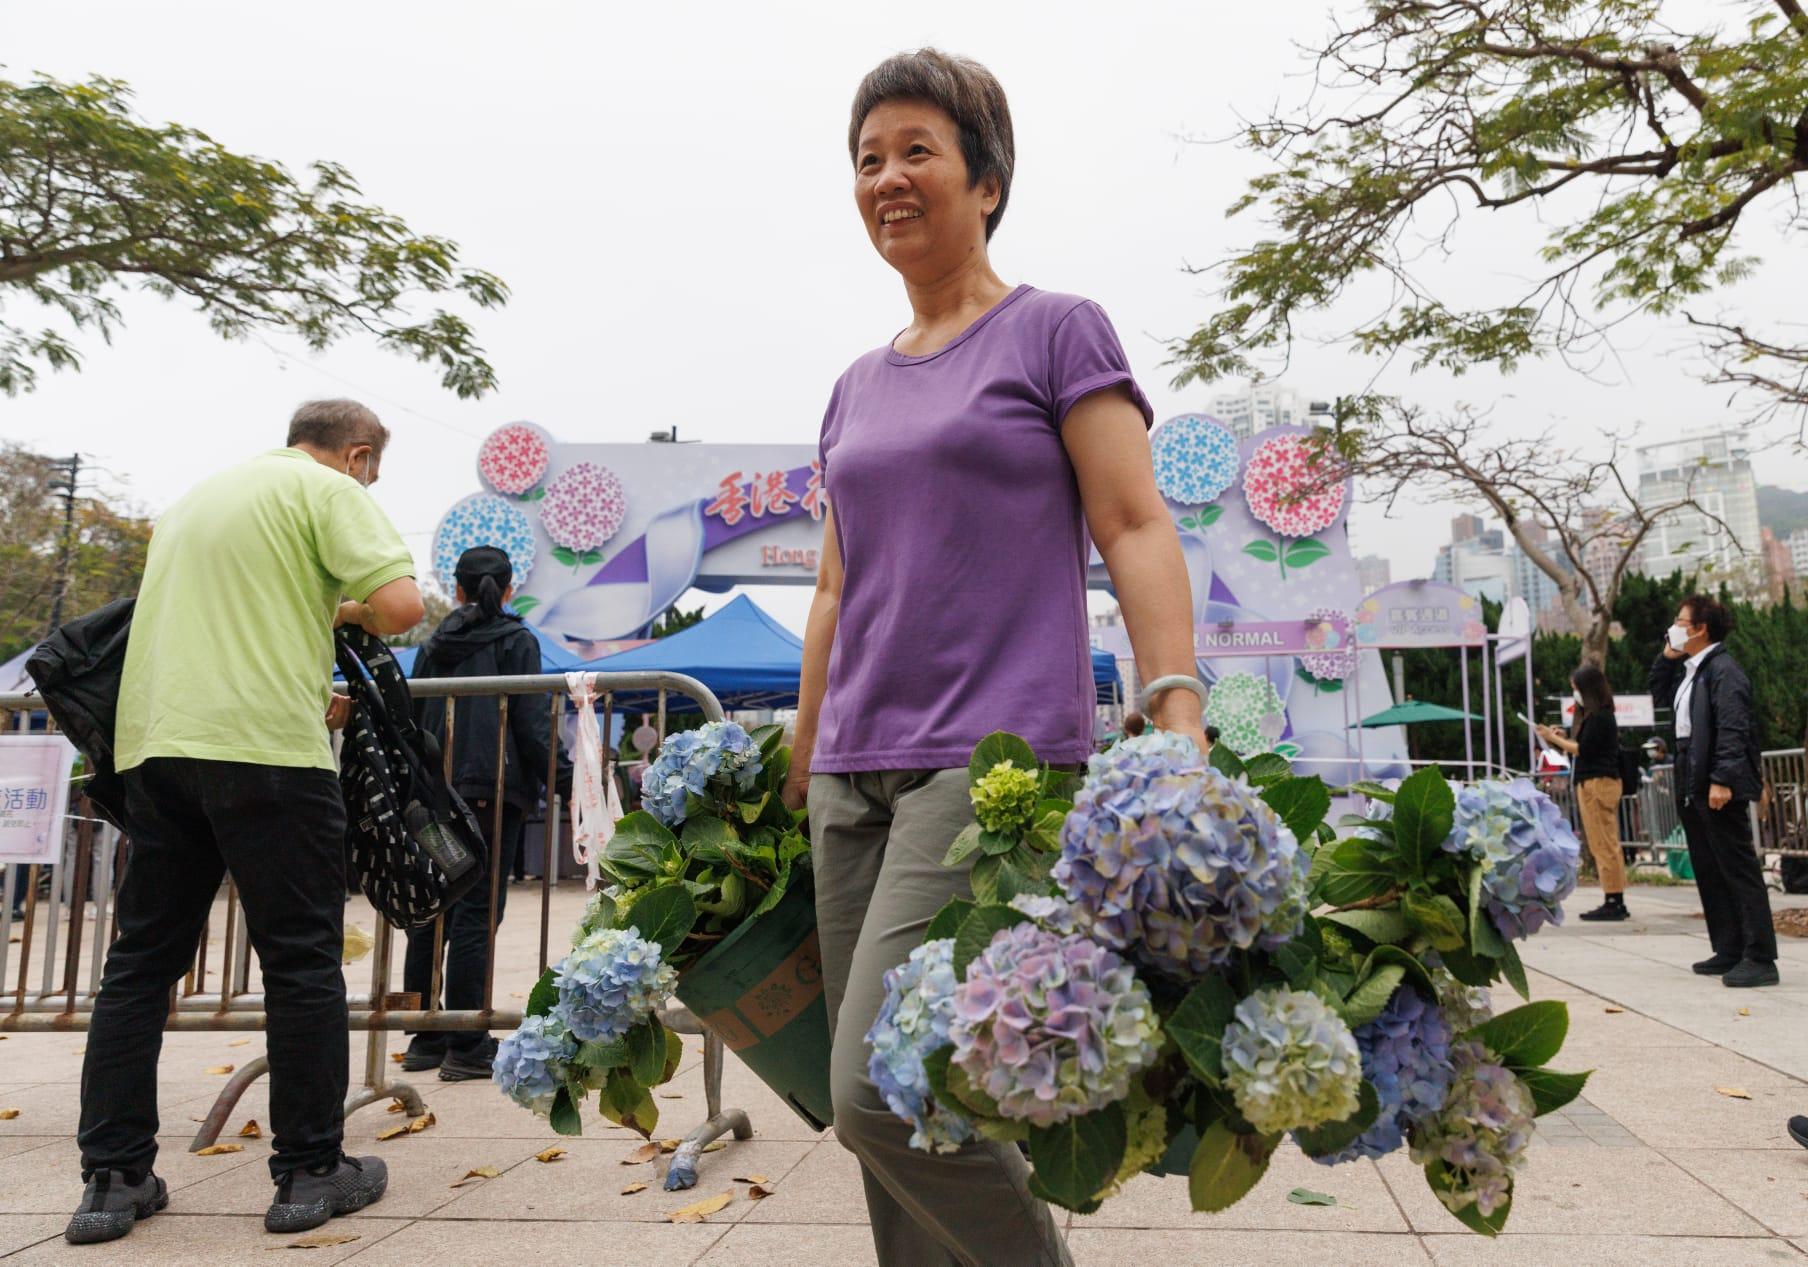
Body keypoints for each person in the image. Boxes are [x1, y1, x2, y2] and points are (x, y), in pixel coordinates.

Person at [782, 51, 1206, 1267]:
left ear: (987, 178)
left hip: (987, 768)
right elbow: (833, 581)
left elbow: (1131, 521)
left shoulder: (1053, 330)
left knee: (884, 1092)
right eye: (866, 159)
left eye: (916, 149)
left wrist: (1173, 698)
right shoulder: (854, 384)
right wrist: (804, 742)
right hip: (850, 772)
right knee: (893, 1112)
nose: (886, 178)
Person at [70, 401, 421, 1245]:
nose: (368, 482)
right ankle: (309, 1171)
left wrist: (317, 612)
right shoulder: (326, 489)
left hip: (156, 746)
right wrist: (353, 609)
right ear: (358, 454)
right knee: (301, 959)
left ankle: (112, 1180)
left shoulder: (196, 500)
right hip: (266, 749)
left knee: (140, 963)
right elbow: (402, 606)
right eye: (371, 471)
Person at [400, 546, 571, 1079]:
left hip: (431, 795)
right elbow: (532, 721)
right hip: (491, 793)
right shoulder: (516, 641)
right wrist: (566, 780)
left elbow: (409, 718)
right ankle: (467, 1043)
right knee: (476, 911)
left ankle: (424, 1036)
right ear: (510, 585)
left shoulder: (433, 646)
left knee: (431, 907)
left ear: (456, 589)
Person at [1649, 593, 1778, 988]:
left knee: (1737, 867)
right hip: (1691, 769)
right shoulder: (1693, 669)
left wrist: (1722, 779)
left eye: (1680, 621)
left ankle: (1759, 956)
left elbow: (1734, 727)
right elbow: (1658, 695)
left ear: (1701, 628)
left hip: (1714, 775)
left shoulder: (1724, 671)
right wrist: (1667, 658)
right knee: (1709, 865)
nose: (1674, 627)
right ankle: (1729, 947)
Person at [1538, 664, 1628, 921]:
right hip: (1598, 781)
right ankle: (1615, 897)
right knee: (1607, 843)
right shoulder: (1598, 716)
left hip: (1597, 784)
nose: (1575, 694)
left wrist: (1552, 738)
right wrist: (1564, 737)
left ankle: (1613, 899)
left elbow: (1583, 751)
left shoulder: (1600, 717)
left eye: (1576, 689)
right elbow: (1585, 746)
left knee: (1603, 844)